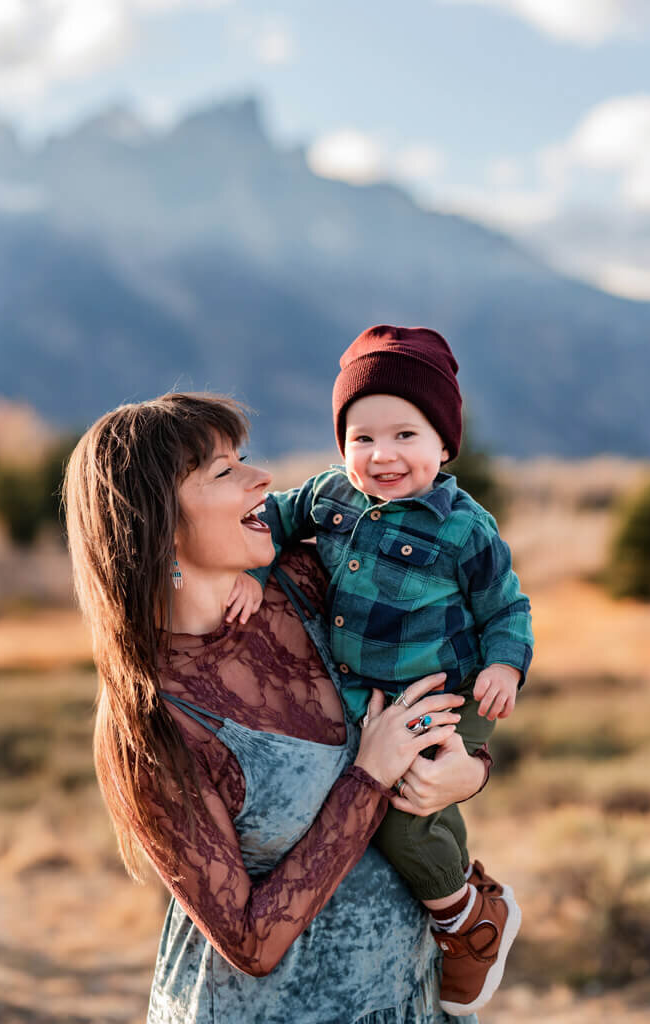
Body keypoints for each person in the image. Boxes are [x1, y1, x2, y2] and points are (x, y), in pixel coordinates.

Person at [63, 391, 491, 1024]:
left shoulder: (310, 582)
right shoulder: (154, 718)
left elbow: (459, 669)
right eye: (223, 471)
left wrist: (472, 770)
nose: (261, 478)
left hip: (412, 1000)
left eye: (246, 457)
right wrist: (368, 778)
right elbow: (250, 943)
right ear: (158, 521)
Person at [229, 325, 534, 1015]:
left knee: (406, 808)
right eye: (361, 437)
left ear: (443, 445)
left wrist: (507, 670)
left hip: (445, 686)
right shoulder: (331, 497)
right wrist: (253, 566)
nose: (382, 455)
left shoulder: (464, 527)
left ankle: (467, 916)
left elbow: (505, 606)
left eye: (404, 436)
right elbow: (272, 517)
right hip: (366, 694)